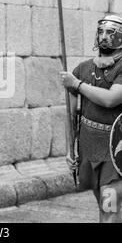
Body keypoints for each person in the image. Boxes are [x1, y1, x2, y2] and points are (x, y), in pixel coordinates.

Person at [60, 14, 122, 223]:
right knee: (103, 206)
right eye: (101, 32)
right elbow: (70, 114)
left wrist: (77, 84)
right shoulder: (83, 69)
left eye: (110, 33)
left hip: (116, 151)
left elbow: (111, 99)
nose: (104, 37)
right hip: (89, 148)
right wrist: (70, 149)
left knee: (109, 211)